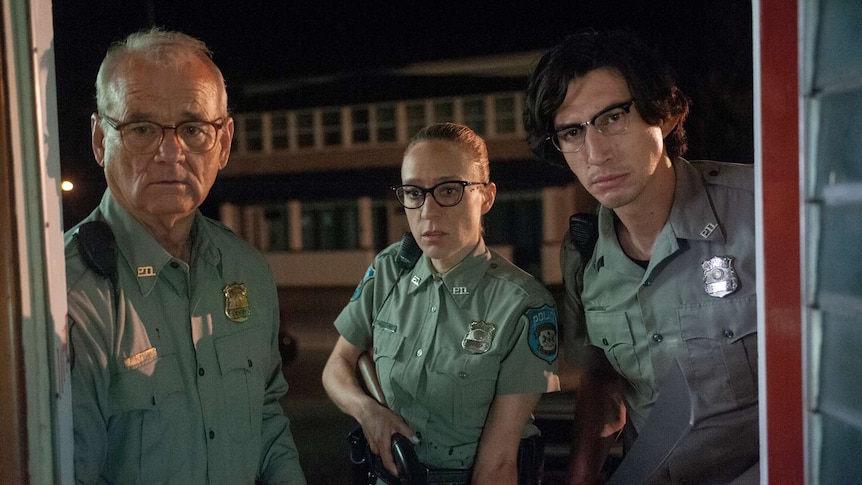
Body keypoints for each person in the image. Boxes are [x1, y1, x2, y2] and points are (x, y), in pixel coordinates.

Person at [65, 28, 306, 484]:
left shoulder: (246, 269)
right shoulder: (69, 294)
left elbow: (267, 421)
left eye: (193, 128)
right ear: (100, 140)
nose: (170, 152)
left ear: (224, 142)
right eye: (141, 128)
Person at [524, 30, 758, 484]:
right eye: (572, 132)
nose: (596, 153)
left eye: (612, 117)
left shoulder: (762, 212)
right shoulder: (584, 253)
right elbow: (602, 378)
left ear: (666, 114)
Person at [321, 122, 560, 484]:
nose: (428, 212)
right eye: (414, 192)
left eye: (449, 190)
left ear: (487, 196)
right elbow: (336, 365)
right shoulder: (389, 270)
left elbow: (497, 465)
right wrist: (366, 411)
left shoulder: (522, 305)